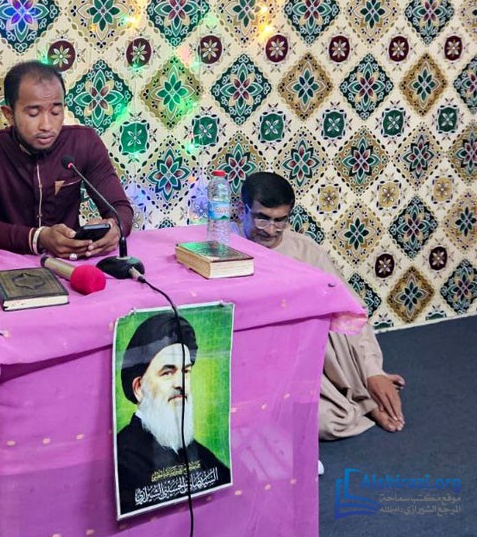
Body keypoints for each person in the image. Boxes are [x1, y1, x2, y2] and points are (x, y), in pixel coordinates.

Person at [239, 171, 406, 440]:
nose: (270, 230)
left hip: (313, 354)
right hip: (263, 359)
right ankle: (364, 400)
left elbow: (350, 309)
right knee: (325, 423)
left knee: (333, 320)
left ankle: (366, 388)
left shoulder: (305, 250)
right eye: (262, 218)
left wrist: (372, 370)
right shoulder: (228, 248)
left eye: (280, 221)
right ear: (244, 209)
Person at [0, 61, 133, 260]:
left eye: (55, 112)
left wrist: (114, 227)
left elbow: (120, 207)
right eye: (33, 113)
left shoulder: (84, 142)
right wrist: (39, 238)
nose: (47, 125)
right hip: (3, 262)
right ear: (9, 114)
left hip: (70, 263)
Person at [116, 313, 231, 515]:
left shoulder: (200, 454)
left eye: (185, 371)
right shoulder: (124, 458)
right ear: (139, 388)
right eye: (167, 372)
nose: (181, 384)